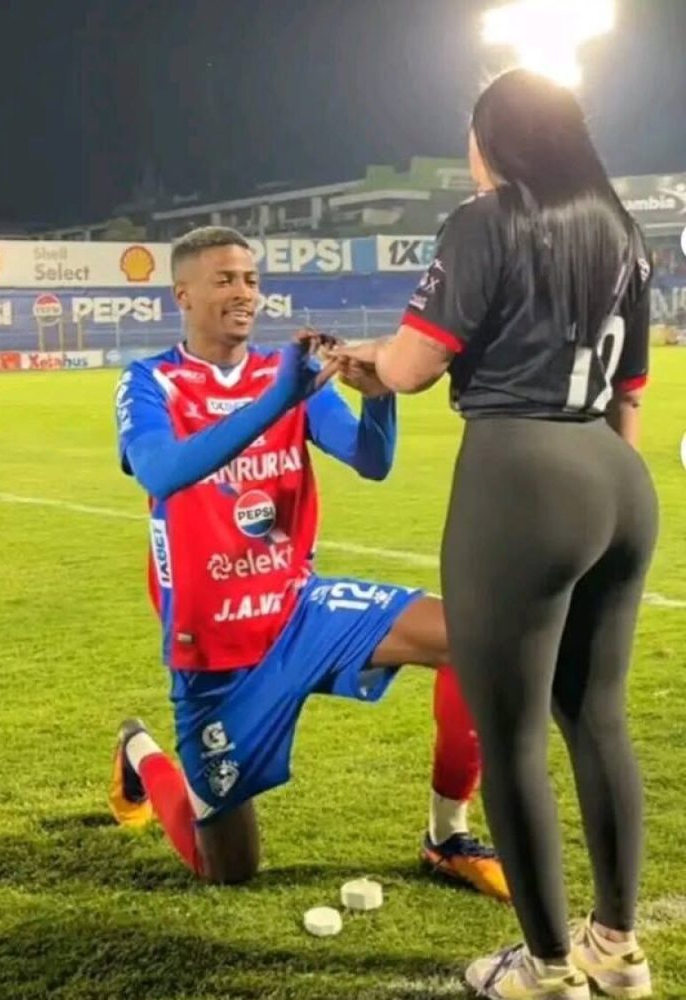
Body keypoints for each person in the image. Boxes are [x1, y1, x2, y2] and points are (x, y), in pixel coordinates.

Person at [334, 69, 658, 999]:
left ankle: (546, 969)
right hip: (615, 476)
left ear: (496, 140)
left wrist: (364, 360)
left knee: (510, 733)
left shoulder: (485, 220)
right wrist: (598, 485)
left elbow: (412, 366)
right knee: (598, 718)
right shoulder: (622, 231)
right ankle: (616, 948)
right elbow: (630, 391)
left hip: (519, 476)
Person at [108, 224, 508, 901]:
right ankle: (139, 750)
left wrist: (377, 395)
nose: (245, 292)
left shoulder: (285, 372)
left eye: (251, 279)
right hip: (215, 648)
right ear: (183, 294)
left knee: (475, 640)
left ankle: (447, 836)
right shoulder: (152, 382)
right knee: (227, 867)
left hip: (299, 610)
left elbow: (371, 461)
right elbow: (163, 470)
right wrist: (279, 401)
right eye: (225, 279)